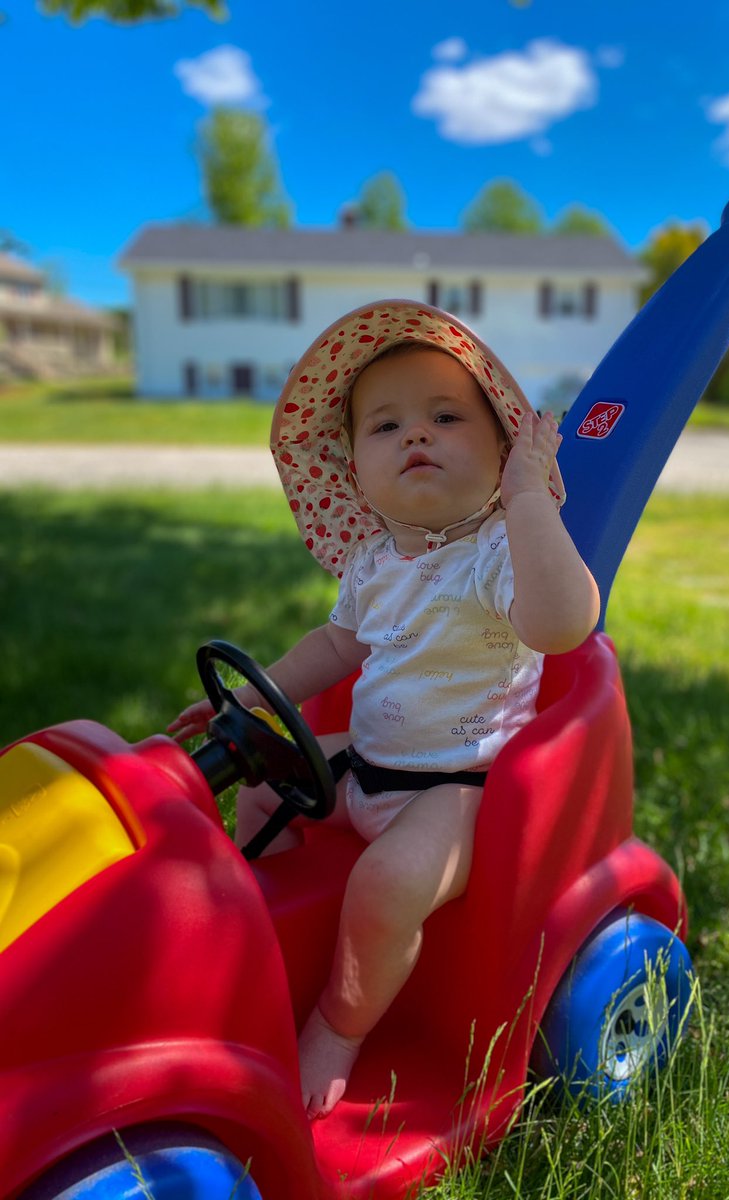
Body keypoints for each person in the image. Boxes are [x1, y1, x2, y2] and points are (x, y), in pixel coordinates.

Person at [168, 300, 600, 1120]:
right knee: (257, 779)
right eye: (386, 426)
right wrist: (257, 699)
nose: (416, 436)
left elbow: (563, 623)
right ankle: (256, 930)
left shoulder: (500, 554)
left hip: (460, 793)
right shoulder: (375, 562)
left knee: (388, 884)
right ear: (354, 470)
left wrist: (529, 501)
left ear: (502, 450)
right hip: (365, 765)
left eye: (446, 417)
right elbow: (332, 651)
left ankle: (339, 1023)